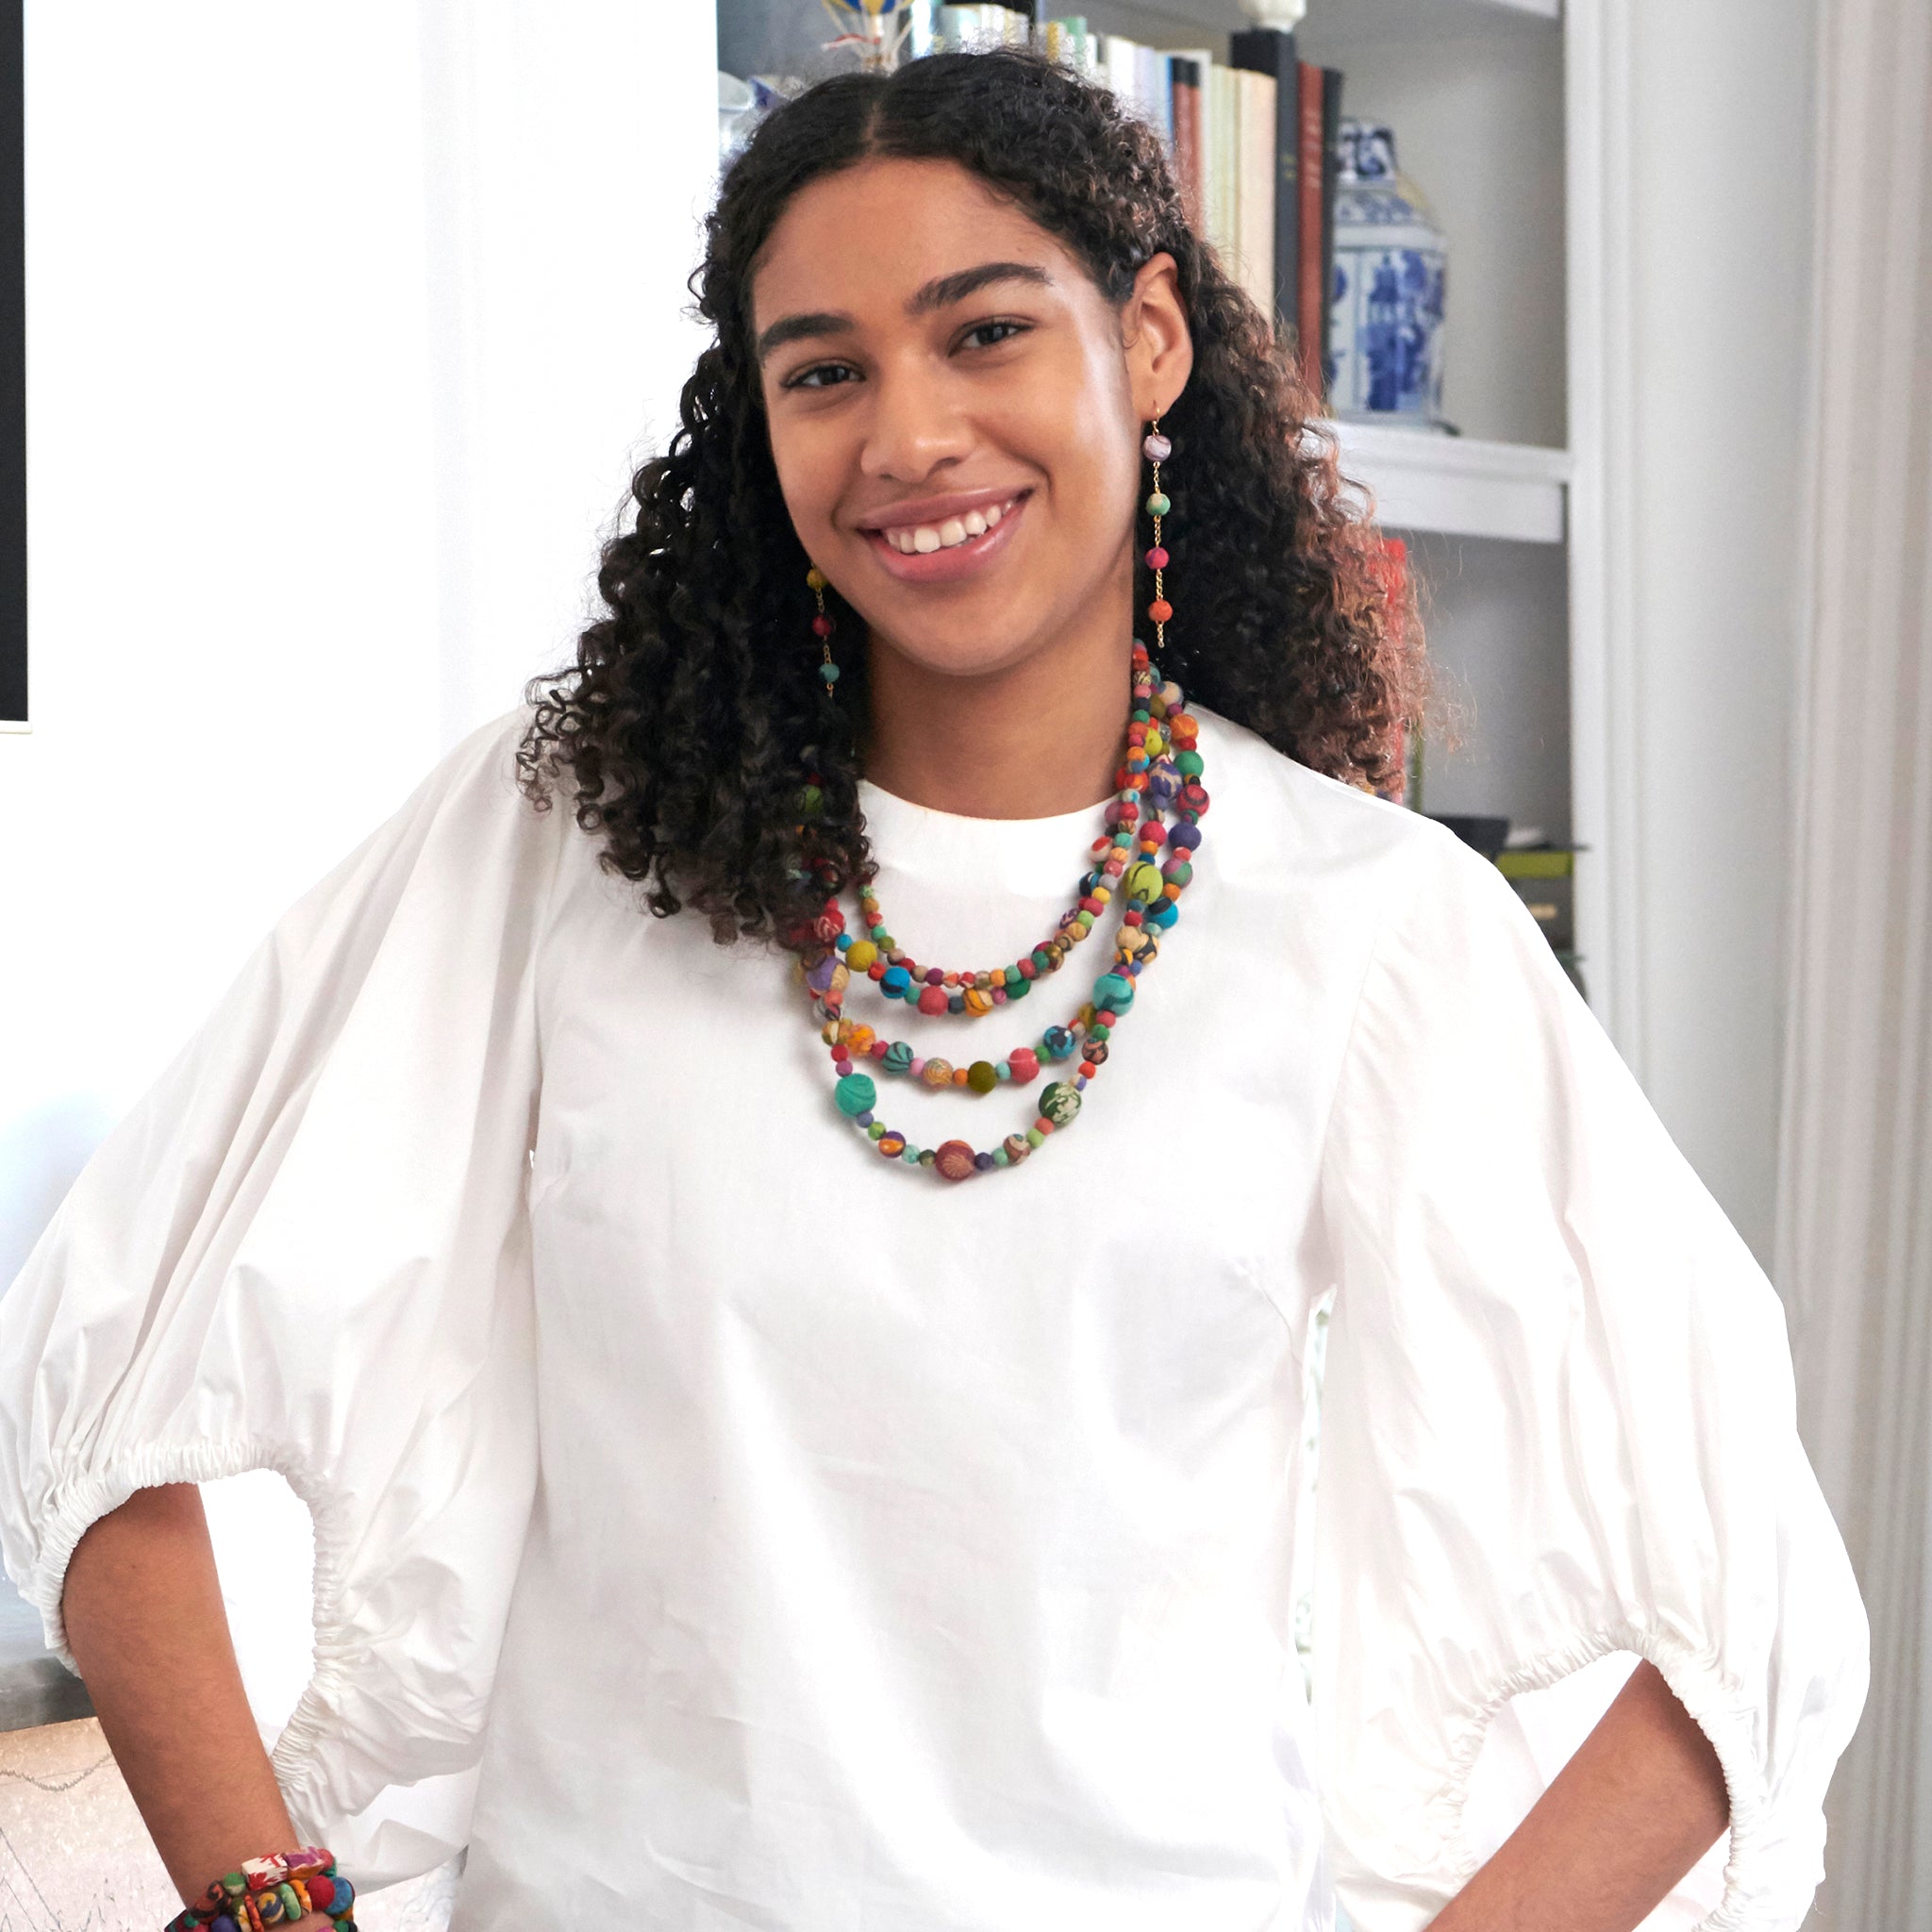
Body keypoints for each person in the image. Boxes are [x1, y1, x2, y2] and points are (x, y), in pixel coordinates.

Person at [0, 48, 1866, 1932]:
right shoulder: (563, 843)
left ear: (1143, 346)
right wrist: (265, 1910)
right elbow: (106, 1385)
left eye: (980, 332)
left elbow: (1745, 1615)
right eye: (822, 369)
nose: (906, 434)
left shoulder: (1368, 918)